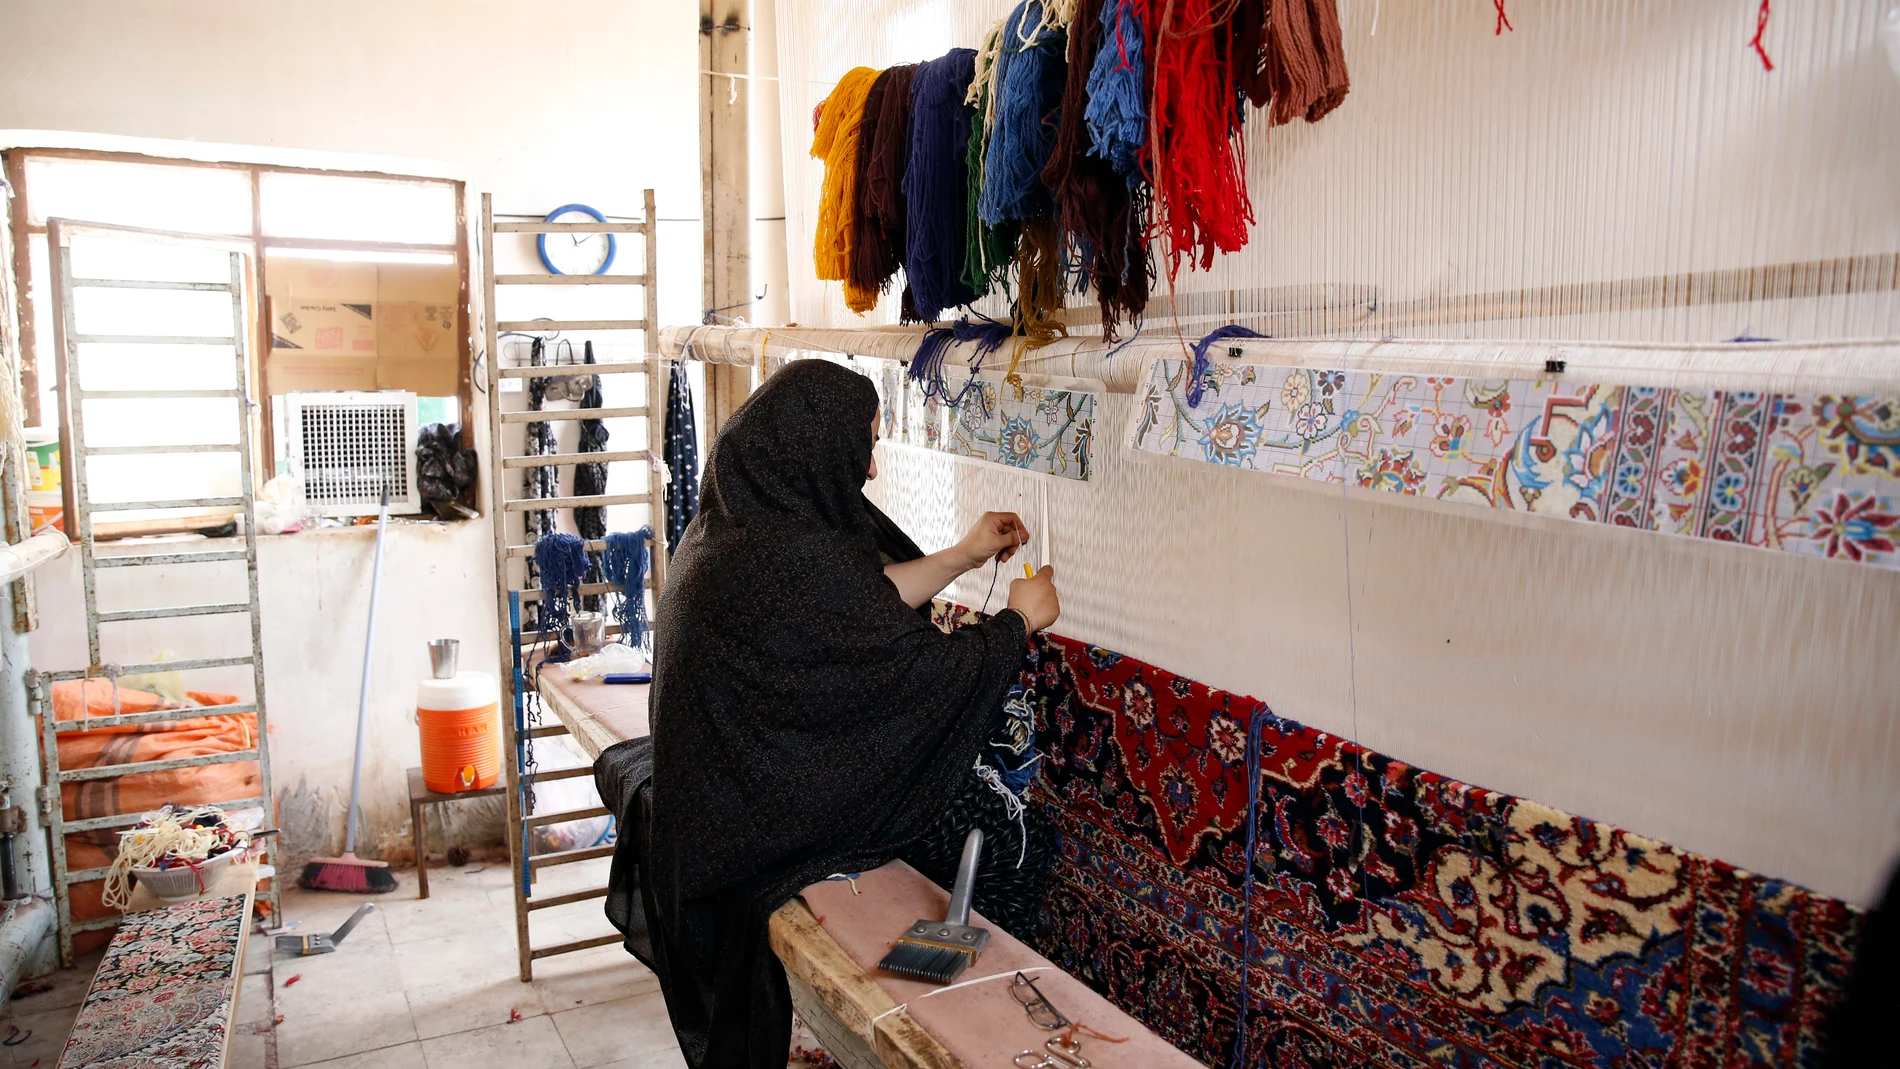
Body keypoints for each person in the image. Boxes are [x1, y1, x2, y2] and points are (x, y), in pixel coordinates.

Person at [599, 360, 1061, 1069]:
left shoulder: (738, 530)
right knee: (1005, 832)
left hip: (720, 796)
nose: (871, 468)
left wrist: (964, 554)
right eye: (866, 444)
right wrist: (1016, 625)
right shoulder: (791, 559)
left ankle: (938, 999)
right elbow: (919, 675)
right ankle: (958, 1025)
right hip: (750, 821)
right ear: (814, 446)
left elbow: (854, 605)